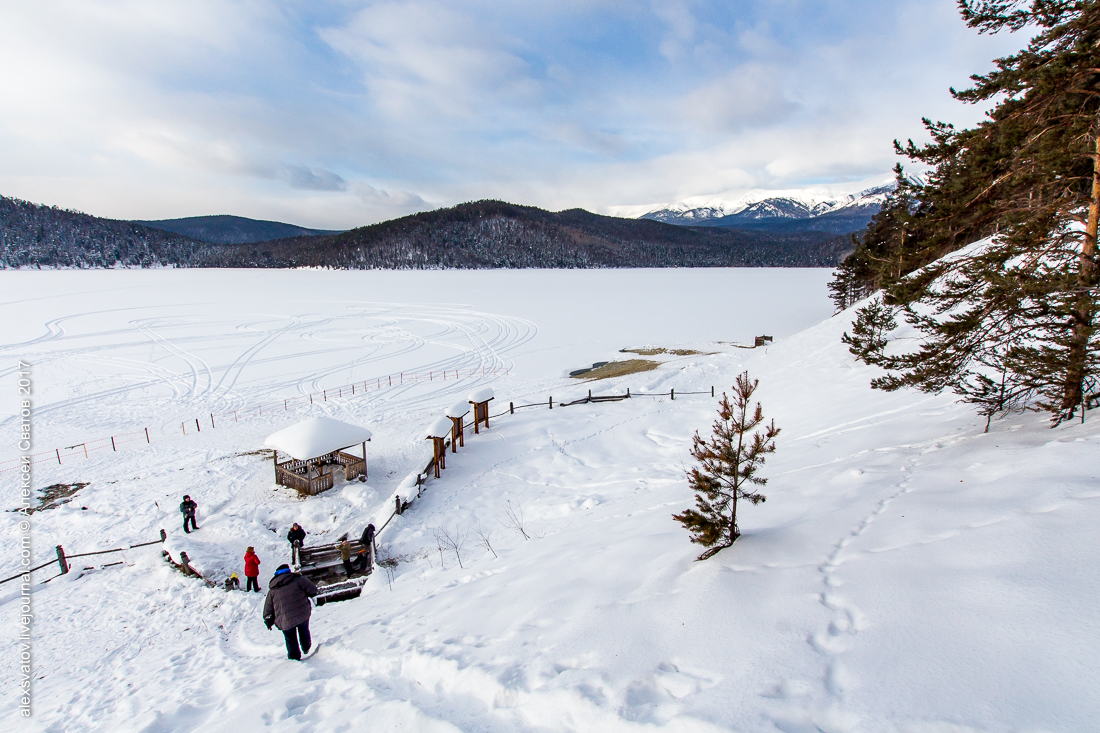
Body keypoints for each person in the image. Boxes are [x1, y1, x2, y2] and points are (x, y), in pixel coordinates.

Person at [263, 564, 318, 660]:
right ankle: (306, 647)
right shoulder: (299, 580)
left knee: (290, 638)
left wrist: (268, 621)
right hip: (302, 613)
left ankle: (294, 658)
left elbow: (268, 608)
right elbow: (313, 590)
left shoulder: (272, 590)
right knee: (304, 630)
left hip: (285, 619)